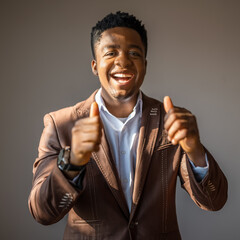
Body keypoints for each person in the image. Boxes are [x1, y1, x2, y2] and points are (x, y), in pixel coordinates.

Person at [28, 11, 227, 240]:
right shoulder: (60, 124)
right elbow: (42, 213)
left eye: (134, 53)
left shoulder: (171, 121)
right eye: (111, 53)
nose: (123, 62)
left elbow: (215, 201)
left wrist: (196, 151)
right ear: (95, 65)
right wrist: (72, 163)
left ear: (145, 64)